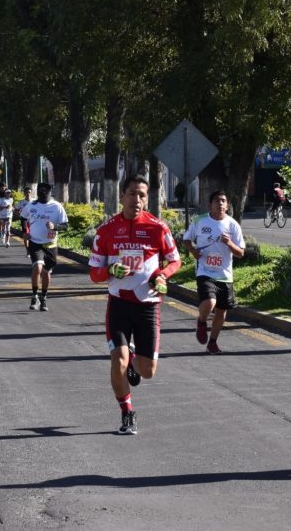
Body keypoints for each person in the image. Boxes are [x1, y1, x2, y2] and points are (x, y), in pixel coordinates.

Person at [89, 175, 181, 435]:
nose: (137, 200)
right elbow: (94, 273)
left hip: (148, 306)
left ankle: (133, 363)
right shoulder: (106, 230)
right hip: (118, 305)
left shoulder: (158, 228)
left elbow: (175, 261)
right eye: (132, 194)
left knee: (147, 371)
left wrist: (163, 275)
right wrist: (109, 270)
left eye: (142, 195)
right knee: (117, 361)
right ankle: (127, 411)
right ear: (121, 196)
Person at [182, 189, 245, 354]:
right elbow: (187, 239)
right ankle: (202, 321)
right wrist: (193, 250)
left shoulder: (233, 225)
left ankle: (213, 342)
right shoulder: (200, 220)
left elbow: (240, 253)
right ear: (210, 204)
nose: (220, 204)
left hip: (224, 274)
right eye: (217, 200)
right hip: (205, 270)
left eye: (223, 201)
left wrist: (230, 243)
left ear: (228, 205)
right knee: (210, 302)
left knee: (221, 311)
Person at [22, 182, 68, 311]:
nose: (43, 193)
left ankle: (44, 297)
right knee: (37, 267)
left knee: (46, 272)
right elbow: (23, 217)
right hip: (35, 242)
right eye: (40, 190)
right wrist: (25, 232)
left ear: (49, 192)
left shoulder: (57, 206)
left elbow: (66, 226)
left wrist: (55, 227)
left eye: (45, 191)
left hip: (50, 244)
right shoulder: (31, 205)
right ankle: (34, 296)